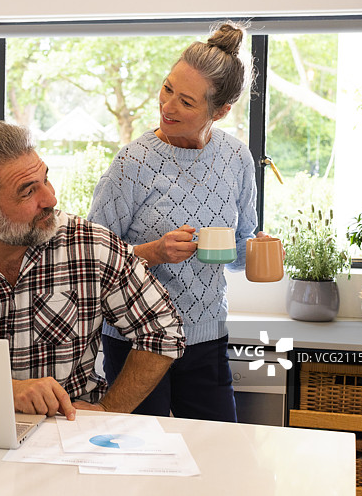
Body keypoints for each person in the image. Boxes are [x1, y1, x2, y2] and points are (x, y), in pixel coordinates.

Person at [0, 120, 185, 420]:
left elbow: (163, 330)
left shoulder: (90, 248)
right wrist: (8, 391)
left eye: (46, 180)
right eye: (28, 191)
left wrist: (109, 409)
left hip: (69, 436)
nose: (50, 199)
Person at [88, 21, 266, 421]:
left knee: (217, 459)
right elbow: (90, 261)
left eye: (186, 102)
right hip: (137, 340)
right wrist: (154, 252)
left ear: (220, 111)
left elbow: (237, 254)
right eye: (168, 89)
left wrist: (258, 250)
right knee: (140, 463)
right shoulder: (131, 164)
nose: (167, 107)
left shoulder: (236, 159)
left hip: (207, 338)